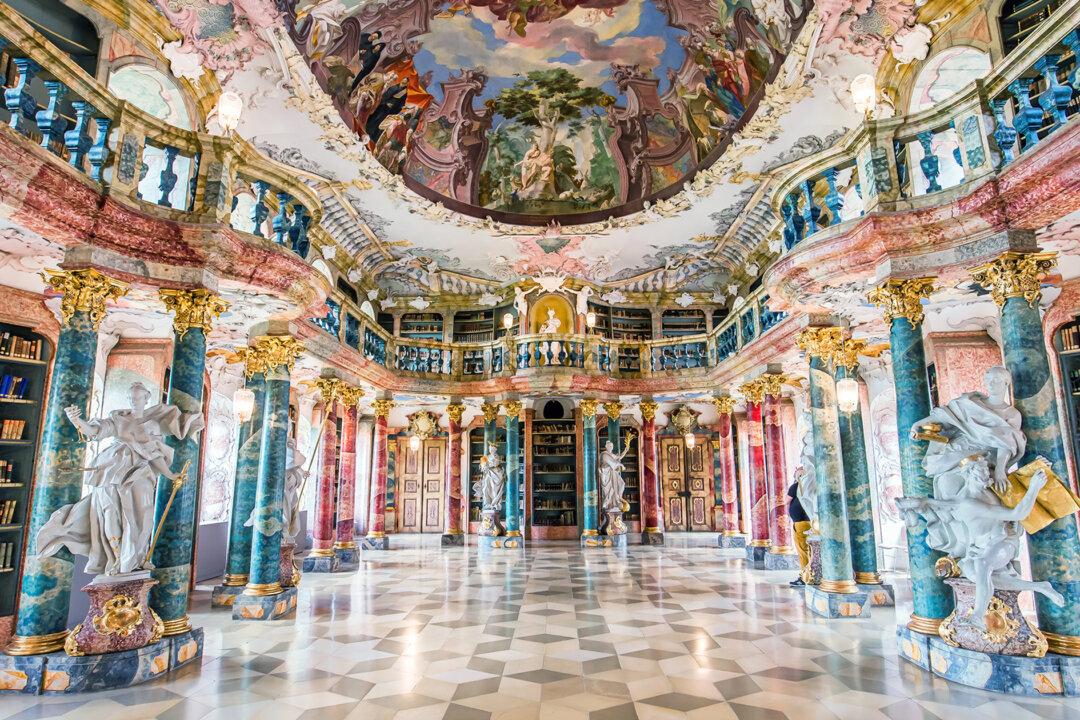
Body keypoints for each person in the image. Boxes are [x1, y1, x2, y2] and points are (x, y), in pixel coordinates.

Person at [787, 478, 811, 587]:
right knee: (808, 550)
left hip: (800, 523)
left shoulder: (796, 486)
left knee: (802, 551)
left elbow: (786, 500)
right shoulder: (808, 486)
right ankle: (809, 574)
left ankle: (805, 577)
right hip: (808, 522)